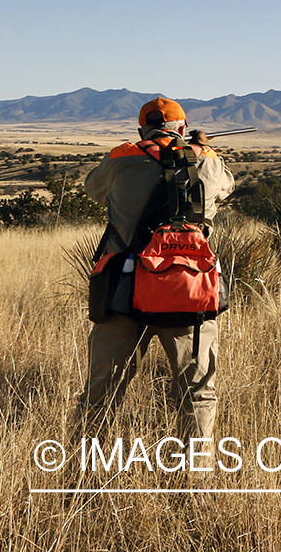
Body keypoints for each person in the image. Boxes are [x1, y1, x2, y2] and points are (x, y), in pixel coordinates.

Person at [76, 97, 235, 442]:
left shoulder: (121, 157)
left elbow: (93, 188)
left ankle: (83, 472)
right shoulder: (208, 161)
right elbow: (227, 186)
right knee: (198, 394)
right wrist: (201, 149)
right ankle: (197, 483)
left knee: (100, 394)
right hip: (187, 289)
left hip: (123, 289)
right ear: (182, 127)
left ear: (140, 129)